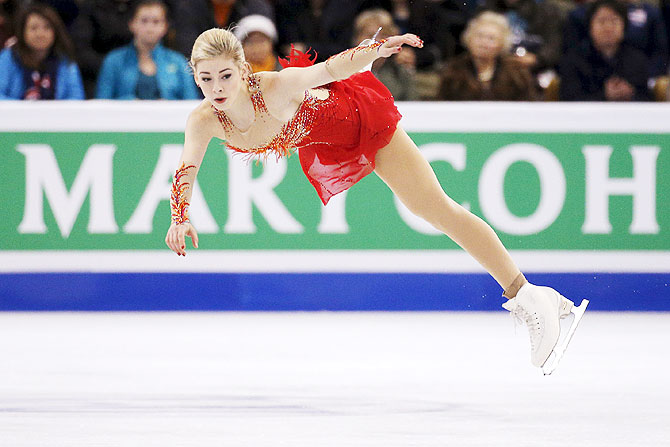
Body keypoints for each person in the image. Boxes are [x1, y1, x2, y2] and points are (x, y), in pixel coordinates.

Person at [164, 27, 589, 373]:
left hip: (359, 118)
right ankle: (536, 297)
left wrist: (376, 50)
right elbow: (186, 169)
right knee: (431, 209)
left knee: (435, 208)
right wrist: (179, 217)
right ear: (195, 76)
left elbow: (331, 68)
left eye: (225, 76)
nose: (217, 88)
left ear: (242, 69)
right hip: (327, 141)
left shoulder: (275, 86)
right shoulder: (203, 120)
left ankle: (529, 295)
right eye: (206, 79)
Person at [96, 0, 198, 99]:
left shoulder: (178, 62)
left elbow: (191, 104)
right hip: (125, 116)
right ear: (132, 24)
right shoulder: (113, 61)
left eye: (156, 22)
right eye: (144, 21)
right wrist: (128, 103)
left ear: (165, 26)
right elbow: (102, 103)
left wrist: (167, 106)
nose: (150, 28)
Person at [559, 0, 652, 101]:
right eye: (601, 21)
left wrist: (630, 94)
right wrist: (604, 96)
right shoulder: (574, 61)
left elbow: (647, 99)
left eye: (614, 21)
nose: (608, 28)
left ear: (624, 26)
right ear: (590, 27)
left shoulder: (637, 60)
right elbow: (570, 100)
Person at [438, 11, 536, 101]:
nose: (484, 43)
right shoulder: (453, 70)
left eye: (491, 39)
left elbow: (528, 105)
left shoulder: (516, 73)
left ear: (502, 44)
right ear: (469, 38)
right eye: (479, 36)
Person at [0, 3, 84, 100]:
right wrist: (25, 110)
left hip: (56, 114)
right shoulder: (8, 58)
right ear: (22, 32)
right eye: (34, 28)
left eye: (47, 27)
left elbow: (76, 98)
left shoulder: (66, 62)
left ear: (55, 32)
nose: (40, 34)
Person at [352, 8, 418, 101]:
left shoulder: (401, 71)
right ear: (357, 38)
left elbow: (413, 105)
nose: (377, 41)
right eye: (370, 35)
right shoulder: (343, 70)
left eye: (384, 35)